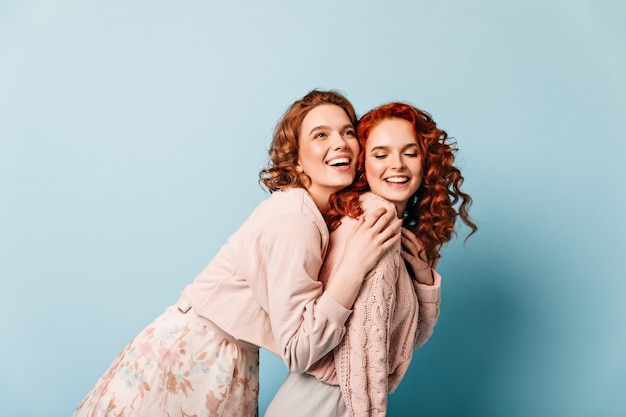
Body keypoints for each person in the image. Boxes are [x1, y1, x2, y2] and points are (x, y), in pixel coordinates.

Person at [71, 90, 403, 417]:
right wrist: (355, 267)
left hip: (217, 356)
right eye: (321, 134)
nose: (340, 142)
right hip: (195, 358)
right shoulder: (297, 221)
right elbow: (300, 351)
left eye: (347, 132)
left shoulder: (308, 214)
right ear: (297, 161)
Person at [265, 102, 477, 417]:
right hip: (323, 405)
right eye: (380, 154)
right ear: (363, 164)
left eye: (410, 152)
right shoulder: (374, 221)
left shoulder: (384, 223)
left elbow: (408, 339)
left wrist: (423, 280)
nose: (398, 165)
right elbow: (363, 358)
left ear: (426, 161)